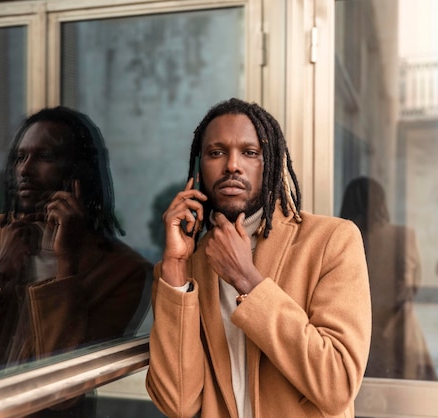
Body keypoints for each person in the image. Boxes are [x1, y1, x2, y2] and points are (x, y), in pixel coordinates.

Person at [0, 107, 152, 410]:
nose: (25, 169)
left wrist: (66, 264)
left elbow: (61, 391)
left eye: (45, 157)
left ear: (79, 172)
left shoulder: (124, 271)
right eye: (20, 157)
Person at [145, 98, 372, 417]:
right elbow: (178, 402)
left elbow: (337, 384)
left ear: (272, 163)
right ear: (200, 168)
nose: (232, 165)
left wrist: (246, 279)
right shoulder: (190, 265)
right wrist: (174, 266)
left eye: (249, 152)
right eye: (216, 152)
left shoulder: (331, 241)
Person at [340, 176, 436, 380]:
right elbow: (412, 284)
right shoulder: (403, 236)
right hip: (399, 333)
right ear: (381, 202)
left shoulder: (343, 239)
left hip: (357, 333)